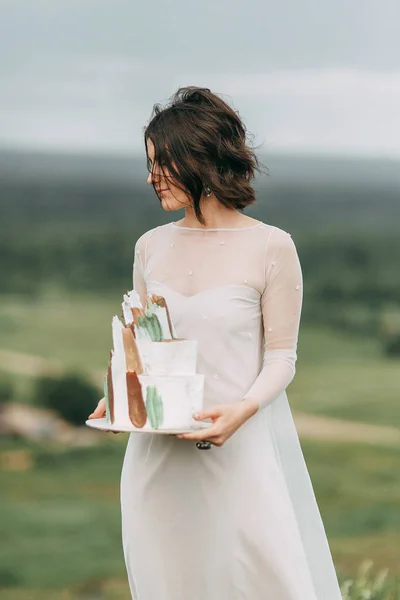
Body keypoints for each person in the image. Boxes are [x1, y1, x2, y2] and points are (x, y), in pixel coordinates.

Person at [88, 86, 343, 600]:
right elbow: (146, 348)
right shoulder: (150, 246)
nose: (150, 177)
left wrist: (242, 410)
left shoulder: (272, 246)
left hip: (239, 456)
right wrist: (124, 397)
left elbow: (282, 358)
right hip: (156, 466)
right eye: (149, 164)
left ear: (201, 158)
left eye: (162, 163)